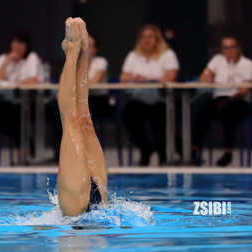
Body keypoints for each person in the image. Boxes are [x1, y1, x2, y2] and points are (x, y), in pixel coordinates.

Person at [57, 17, 108, 216]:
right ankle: (82, 50)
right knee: (84, 119)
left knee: (73, 121)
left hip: (74, 213)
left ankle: (73, 50)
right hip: (97, 207)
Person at [120, 24, 179, 166]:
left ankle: (163, 156)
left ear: (157, 39)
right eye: (144, 37)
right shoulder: (133, 55)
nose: (147, 40)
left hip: (161, 99)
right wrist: (136, 79)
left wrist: (147, 78)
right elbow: (123, 78)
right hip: (139, 99)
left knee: (158, 118)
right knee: (128, 113)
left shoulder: (168, 54)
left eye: (150, 37)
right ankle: (145, 148)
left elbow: (171, 77)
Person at [192, 35, 252, 167]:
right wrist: (206, 77)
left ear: (239, 48)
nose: (229, 50)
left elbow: (245, 90)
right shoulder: (217, 60)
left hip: (239, 100)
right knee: (203, 110)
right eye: (225, 48)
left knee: (229, 111)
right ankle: (193, 150)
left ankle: (228, 153)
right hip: (218, 99)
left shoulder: (247, 63)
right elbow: (203, 77)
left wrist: (230, 99)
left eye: (232, 47)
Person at [0, 30, 43, 162]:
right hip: (11, 101)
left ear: (27, 45)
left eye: (21, 43)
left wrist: (14, 83)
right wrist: (7, 60)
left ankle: (23, 148)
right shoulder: (3, 58)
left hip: (30, 101)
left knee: (18, 115)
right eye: (15, 42)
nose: (17, 46)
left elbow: (33, 79)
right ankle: (26, 143)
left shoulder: (31, 57)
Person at [87, 34, 113, 119]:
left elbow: (95, 82)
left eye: (89, 45)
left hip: (98, 99)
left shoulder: (101, 61)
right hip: (81, 99)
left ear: (96, 49)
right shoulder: (74, 63)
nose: (86, 48)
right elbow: (63, 81)